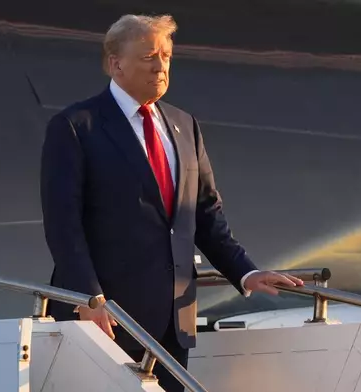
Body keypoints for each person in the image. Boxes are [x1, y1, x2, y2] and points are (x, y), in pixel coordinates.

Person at [40, 13, 304, 391]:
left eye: (166, 56)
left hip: (174, 318)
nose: (161, 66)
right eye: (149, 57)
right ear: (116, 64)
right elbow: (63, 225)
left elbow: (205, 214)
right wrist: (89, 297)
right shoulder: (76, 127)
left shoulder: (184, 125)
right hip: (105, 317)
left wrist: (246, 272)